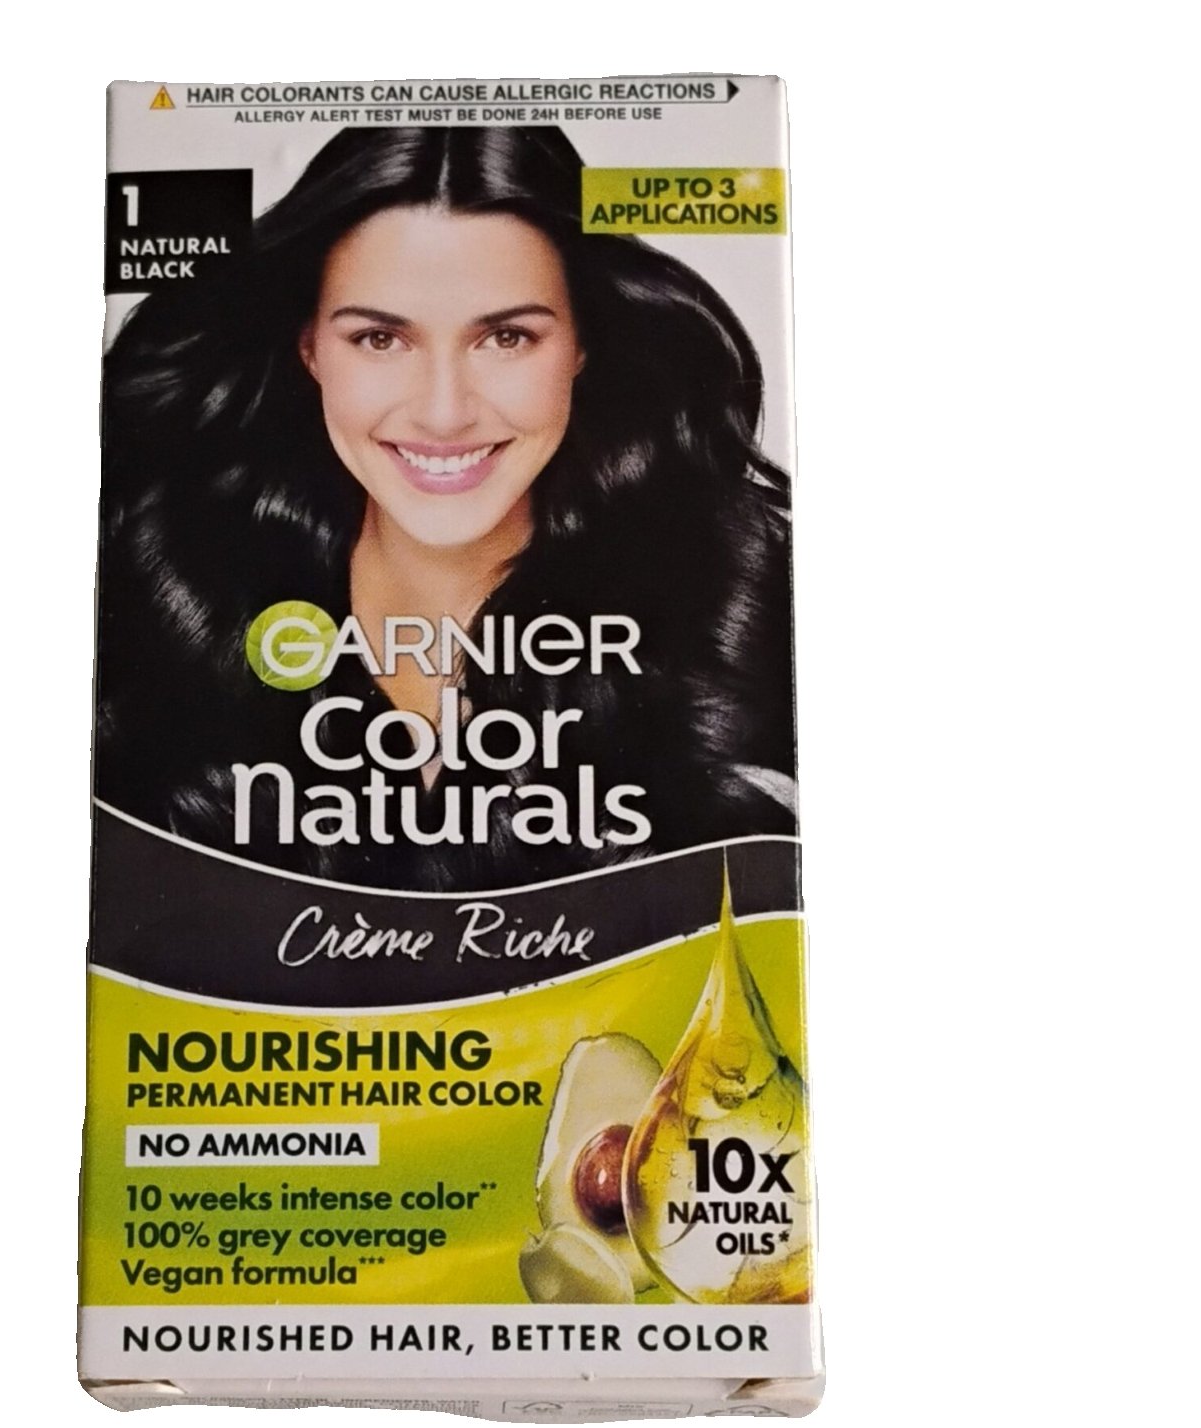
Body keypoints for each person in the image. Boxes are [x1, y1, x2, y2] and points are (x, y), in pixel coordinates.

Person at [95, 126, 796, 891]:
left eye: (506, 337)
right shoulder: (168, 636)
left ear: (582, 345)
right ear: (309, 347)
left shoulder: (737, 652)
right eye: (379, 338)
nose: (443, 412)